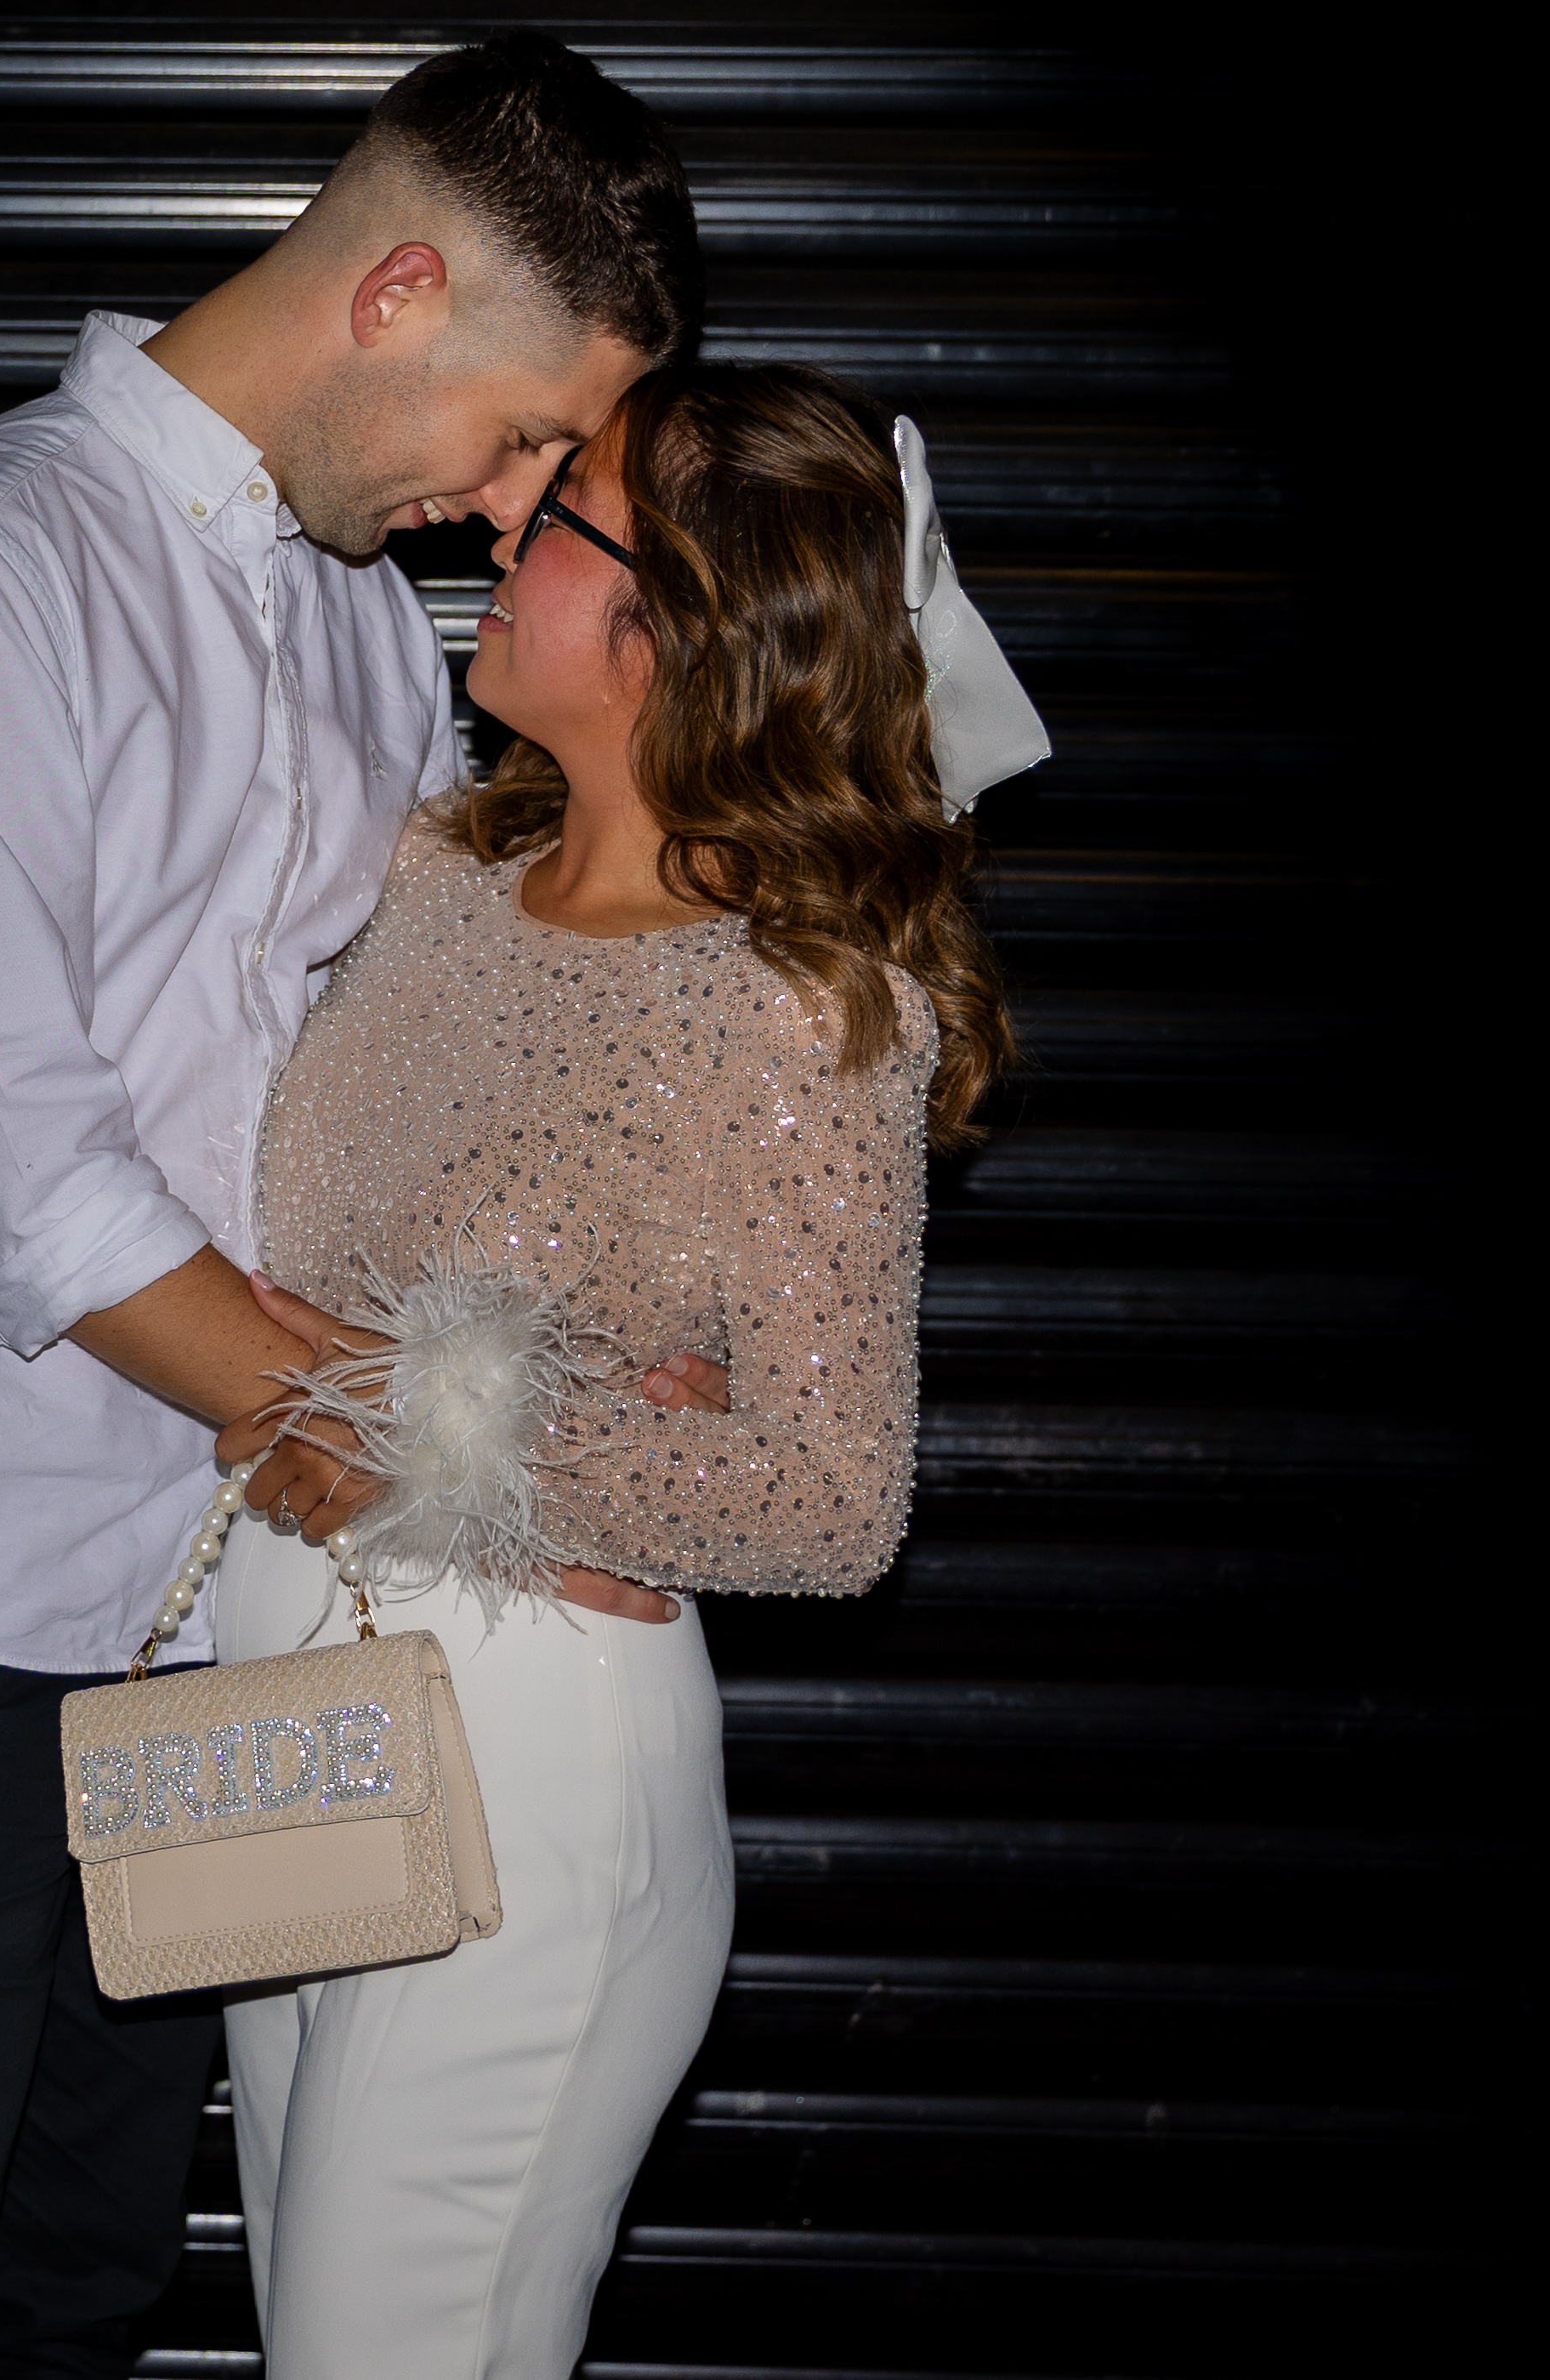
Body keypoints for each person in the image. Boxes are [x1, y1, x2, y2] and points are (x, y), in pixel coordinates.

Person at [0, 34, 705, 2380]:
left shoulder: (352, 613)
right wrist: (452, 1462)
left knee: (90, 2266)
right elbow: (13, 1163)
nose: (515, 506)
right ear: (401, 293)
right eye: (526, 436)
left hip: (218, 1601)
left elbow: (387, 1088)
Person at [214, 362, 1034, 2380]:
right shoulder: (428, 876)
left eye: (561, 506)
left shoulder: (797, 1002)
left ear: (681, 620)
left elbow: (830, 1497)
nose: (500, 524)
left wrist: (435, 1428)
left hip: (533, 1763)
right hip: (290, 1721)